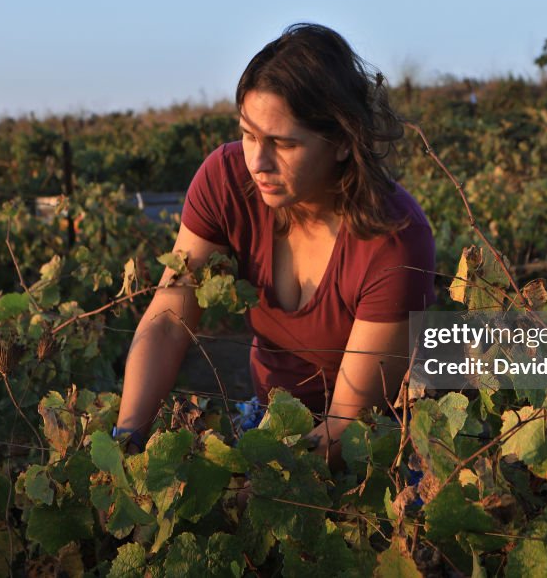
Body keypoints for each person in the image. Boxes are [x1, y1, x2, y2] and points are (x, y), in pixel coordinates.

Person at [115, 24, 436, 461]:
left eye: (282, 143)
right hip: (271, 421)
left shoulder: (394, 239)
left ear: (342, 141)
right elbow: (169, 321)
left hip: (373, 446)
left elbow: (348, 426)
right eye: (249, 135)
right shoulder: (225, 179)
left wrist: (257, 480)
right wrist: (127, 442)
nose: (258, 162)